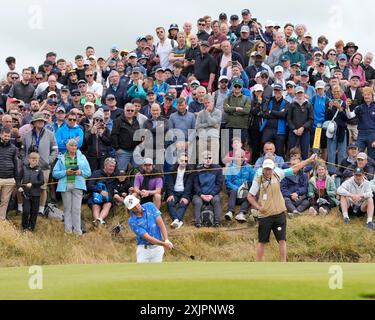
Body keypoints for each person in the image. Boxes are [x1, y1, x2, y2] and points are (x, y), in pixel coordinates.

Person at [248, 154, 317, 262]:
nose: (268, 171)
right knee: (262, 241)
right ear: (263, 168)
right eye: (266, 169)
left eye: (270, 169)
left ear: (273, 168)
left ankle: (283, 263)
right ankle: (258, 264)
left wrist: (308, 160)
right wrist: (258, 207)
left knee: (282, 240)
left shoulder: (278, 173)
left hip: (279, 214)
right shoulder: (258, 180)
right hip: (265, 215)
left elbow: (295, 168)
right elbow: (250, 196)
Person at [20, 112, 58, 215]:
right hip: (29, 167)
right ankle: (24, 208)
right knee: (25, 186)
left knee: (43, 188)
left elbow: (55, 150)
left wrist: (48, 160)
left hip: (44, 167)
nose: (41, 122)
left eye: (42, 121)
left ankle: (40, 210)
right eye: (39, 120)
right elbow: (22, 150)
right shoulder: (27, 135)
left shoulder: (50, 134)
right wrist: (25, 161)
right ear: (34, 122)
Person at [52, 139, 91, 235]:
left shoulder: (82, 157)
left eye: (75, 146)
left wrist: (80, 172)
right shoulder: (61, 158)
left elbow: (88, 172)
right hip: (65, 185)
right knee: (67, 209)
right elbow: (54, 173)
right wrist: (65, 172)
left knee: (77, 209)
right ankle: (68, 231)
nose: (73, 147)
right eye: (71, 145)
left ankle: (78, 231)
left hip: (78, 185)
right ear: (67, 147)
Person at [125, 194, 173, 263]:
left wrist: (166, 239)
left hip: (157, 249)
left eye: (136, 204)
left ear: (138, 201)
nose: (136, 207)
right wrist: (164, 244)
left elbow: (161, 224)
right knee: (142, 273)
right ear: (130, 209)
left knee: (157, 273)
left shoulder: (150, 206)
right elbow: (149, 238)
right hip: (143, 251)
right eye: (133, 207)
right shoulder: (132, 221)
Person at [192, 151, 223, 228]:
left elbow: (219, 184)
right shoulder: (197, 169)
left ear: (212, 159)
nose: (208, 160)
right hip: (200, 194)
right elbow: (195, 184)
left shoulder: (218, 168)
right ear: (202, 159)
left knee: (217, 200)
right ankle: (198, 222)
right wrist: (201, 195)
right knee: (197, 202)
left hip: (213, 194)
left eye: (210, 158)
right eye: (206, 158)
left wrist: (212, 195)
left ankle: (217, 222)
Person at [224, 149, 255, 222]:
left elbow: (252, 181)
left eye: (242, 157)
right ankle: (230, 212)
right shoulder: (230, 167)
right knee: (233, 191)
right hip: (233, 192)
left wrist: (247, 189)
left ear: (244, 157)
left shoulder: (249, 167)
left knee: (250, 195)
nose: (240, 159)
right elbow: (227, 181)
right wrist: (236, 188)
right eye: (238, 157)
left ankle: (241, 213)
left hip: (244, 192)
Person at [165, 153, 194, 229]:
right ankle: (177, 220)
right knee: (170, 202)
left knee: (183, 204)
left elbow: (189, 185)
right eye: (182, 160)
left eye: (185, 161)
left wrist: (185, 196)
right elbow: (169, 183)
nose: (184, 162)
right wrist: (170, 194)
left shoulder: (190, 171)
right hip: (174, 192)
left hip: (184, 192)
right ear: (178, 160)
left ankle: (175, 220)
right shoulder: (172, 169)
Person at [346, 87, 375, 160]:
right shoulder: (359, 107)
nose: (367, 96)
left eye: (368, 95)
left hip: (373, 134)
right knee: (358, 155)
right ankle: (358, 171)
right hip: (361, 134)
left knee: (372, 157)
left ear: (372, 96)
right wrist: (347, 107)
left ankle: (371, 171)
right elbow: (350, 116)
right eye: (365, 95)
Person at [18, 152, 44, 232]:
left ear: (38, 160)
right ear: (29, 160)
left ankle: (31, 228)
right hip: (26, 194)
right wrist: (20, 187)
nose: (34, 161)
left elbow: (41, 182)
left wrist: (32, 184)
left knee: (34, 212)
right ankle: (24, 228)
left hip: (36, 194)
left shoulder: (39, 170)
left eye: (36, 160)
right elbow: (18, 179)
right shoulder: (24, 168)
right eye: (33, 160)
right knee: (26, 211)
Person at [87, 158, 118, 226]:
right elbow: (89, 185)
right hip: (95, 197)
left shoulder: (114, 175)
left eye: (113, 166)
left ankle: (99, 221)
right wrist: (100, 191)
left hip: (108, 199)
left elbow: (119, 184)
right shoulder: (96, 173)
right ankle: (99, 222)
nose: (112, 168)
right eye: (110, 166)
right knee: (96, 206)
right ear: (105, 166)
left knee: (108, 204)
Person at [260, 84, 288, 158]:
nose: (277, 92)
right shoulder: (269, 100)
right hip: (268, 128)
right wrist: (279, 113)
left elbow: (284, 115)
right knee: (265, 147)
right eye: (275, 90)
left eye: (279, 90)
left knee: (279, 150)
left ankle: (280, 167)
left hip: (280, 130)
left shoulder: (286, 103)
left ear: (282, 91)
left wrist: (271, 111)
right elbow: (265, 114)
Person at [111, 103, 140, 172]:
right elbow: (113, 135)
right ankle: (119, 183)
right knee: (121, 172)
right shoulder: (118, 121)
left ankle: (134, 183)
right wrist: (117, 148)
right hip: (123, 151)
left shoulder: (136, 121)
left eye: (132, 111)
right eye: (128, 110)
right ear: (124, 110)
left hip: (135, 151)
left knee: (137, 171)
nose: (130, 112)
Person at [287, 86, 314, 160]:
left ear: (304, 93)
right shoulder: (292, 105)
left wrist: (303, 127)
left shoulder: (309, 105)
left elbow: (311, 119)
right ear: (295, 94)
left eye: (301, 93)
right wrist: (294, 129)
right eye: (298, 93)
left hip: (305, 132)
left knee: (305, 153)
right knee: (292, 153)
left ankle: (304, 170)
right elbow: (289, 119)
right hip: (293, 132)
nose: (299, 94)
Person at [280, 150, 310, 216]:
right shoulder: (284, 175)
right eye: (293, 165)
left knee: (307, 202)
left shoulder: (304, 175)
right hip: (289, 198)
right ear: (290, 165)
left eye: (297, 165)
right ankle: (294, 211)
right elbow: (283, 189)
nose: (295, 167)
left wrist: (297, 193)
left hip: (299, 197)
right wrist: (291, 195)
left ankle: (296, 212)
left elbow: (305, 187)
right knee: (285, 200)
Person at [223, 78, 251, 145]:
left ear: (242, 87)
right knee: (227, 149)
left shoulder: (246, 98)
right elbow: (225, 109)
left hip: (242, 127)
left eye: (239, 86)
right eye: (235, 86)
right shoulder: (228, 98)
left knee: (241, 149)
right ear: (233, 87)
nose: (237, 88)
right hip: (230, 126)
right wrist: (237, 108)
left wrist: (231, 109)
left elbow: (247, 110)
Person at [0, 128, 19, 221]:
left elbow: (16, 165)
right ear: (1, 135)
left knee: (5, 201)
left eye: (8, 136)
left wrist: (17, 180)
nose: (7, 137)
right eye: (5, 135)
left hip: (9, 179)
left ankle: (2, 221)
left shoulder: (13, 148)